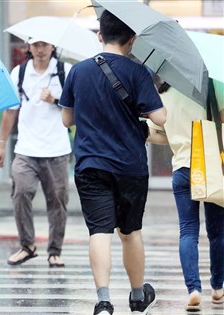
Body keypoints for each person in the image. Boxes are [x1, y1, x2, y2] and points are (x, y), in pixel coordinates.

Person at [60, 10, 167, 315]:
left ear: (99, 36)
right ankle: (136, 295)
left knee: (100, 232)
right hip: (130, 165)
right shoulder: (138, 73)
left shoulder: (78, 72)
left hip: (91, 164)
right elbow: (160, 117)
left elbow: (67, 118)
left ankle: (104, 301)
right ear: (132, 40)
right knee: (130, 232)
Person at [148, 78, 224, 312]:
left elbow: (158, 135)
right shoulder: (211, 86)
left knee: (188, 230)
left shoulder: (163, 94)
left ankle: (193, 289)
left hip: (182, 167)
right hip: (210, 166)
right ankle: (218, 288)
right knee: (217, 231)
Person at [0, 39, 72, 268]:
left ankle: (55, 250)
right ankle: (27, 245)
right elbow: (11, 111)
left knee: (57, 201)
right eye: (35, 45)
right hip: (26, 149)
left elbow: (76, 106)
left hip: (56, 149)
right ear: (28, 47)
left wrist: (55, 100)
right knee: (21, 192)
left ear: (52, 47)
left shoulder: (64, 71)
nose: (40, 50)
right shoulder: (19, 72)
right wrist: (1, 145)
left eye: (45, 45)